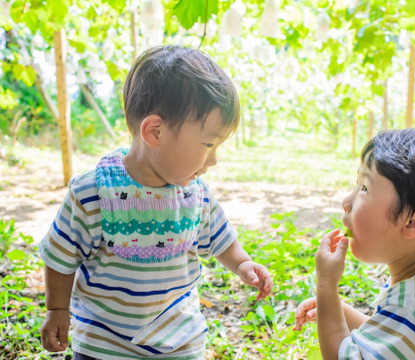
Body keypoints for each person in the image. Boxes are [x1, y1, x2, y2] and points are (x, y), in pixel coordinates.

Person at [39, 45, 273, 360]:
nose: (213, 160)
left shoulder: (195, 194)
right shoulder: (93, 193)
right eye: (208, 144)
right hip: (105, 344)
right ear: (154, 132)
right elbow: (60, 257)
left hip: (179, 341)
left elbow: (221, 240)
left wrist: (243, 263)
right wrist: (56, 309)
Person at [294, 128, 415, 359]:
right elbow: (389, 338)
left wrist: (326, 286)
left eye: (364, 188)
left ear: (414, 222)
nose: (346, 202)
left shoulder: (411, 307)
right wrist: (334, 309)